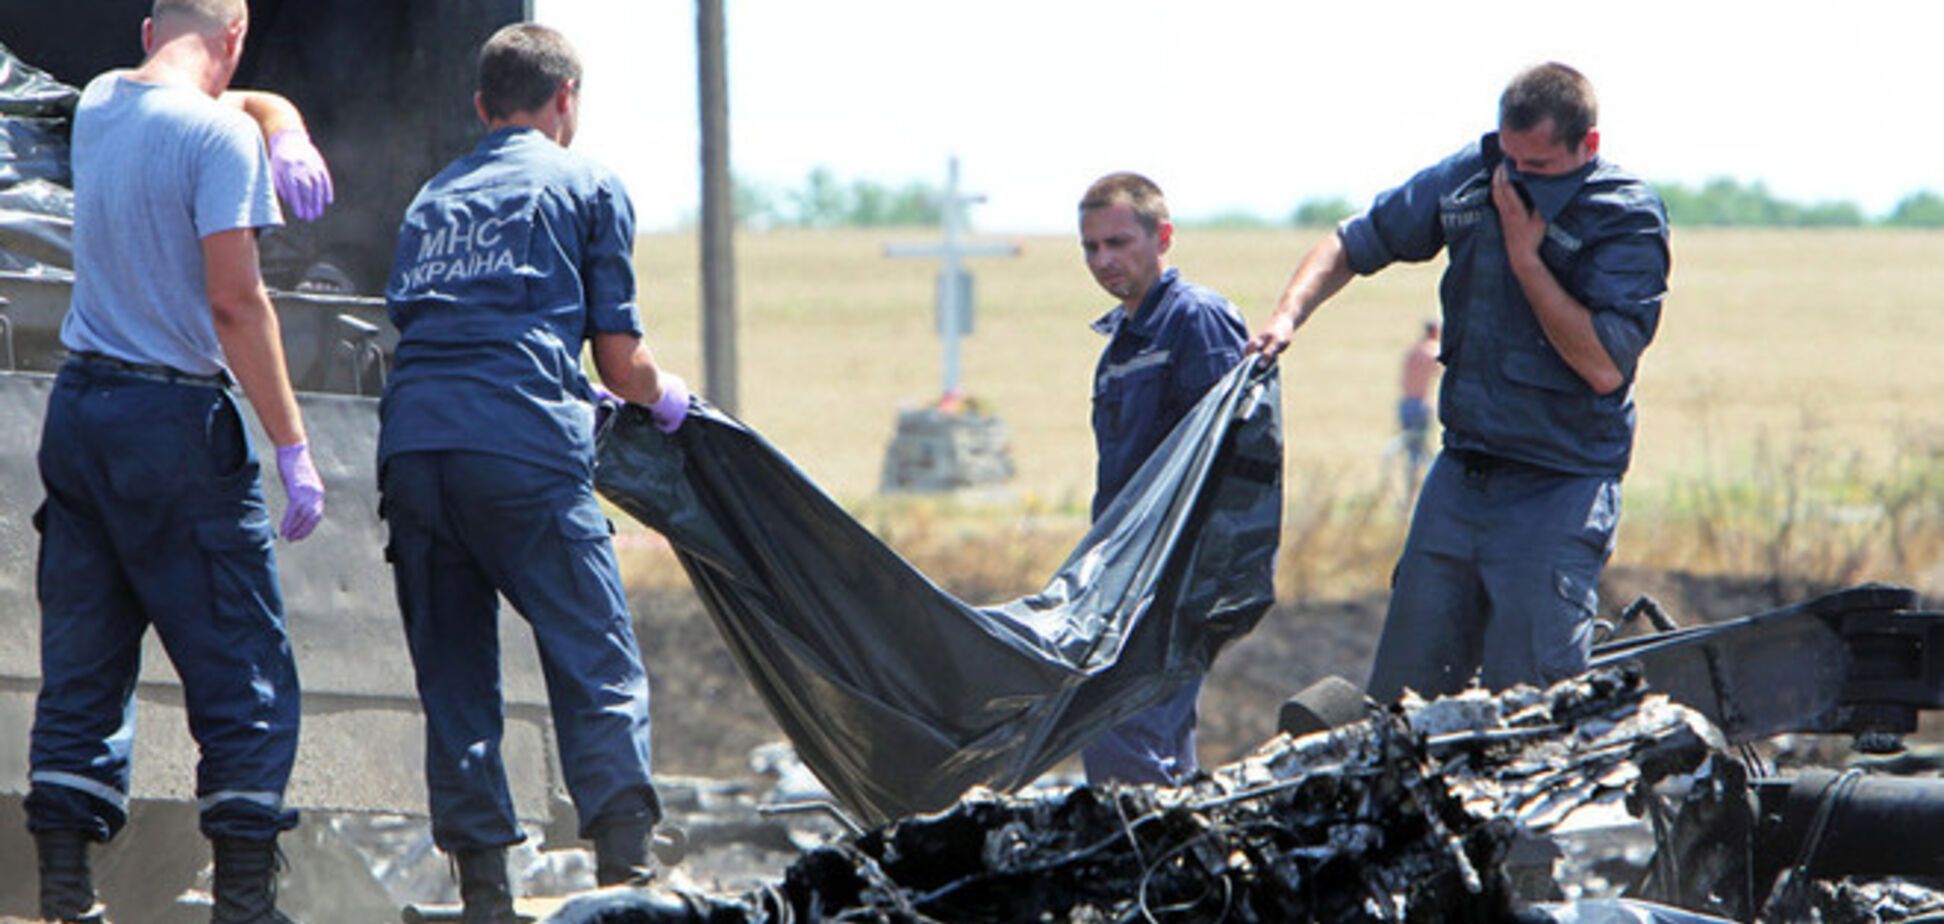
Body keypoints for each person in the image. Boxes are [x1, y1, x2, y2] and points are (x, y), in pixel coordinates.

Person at [376, 22, 691, 921]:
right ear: (567, 101)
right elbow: (619, 363)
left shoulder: (432, 195)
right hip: (519, 448)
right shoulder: (585, 182)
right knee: (597, 656)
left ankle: (483, 894)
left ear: (481, 108)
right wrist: (667, 399)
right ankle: (627, 875)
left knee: (455, 675)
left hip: (413, 454)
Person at [25, 1, 331, 921]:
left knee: (84, 658)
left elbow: (208, 93)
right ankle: (243, 897)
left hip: (79, 415)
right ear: (233, 41)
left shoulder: (103, 103)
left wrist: (280, 120)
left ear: (149, 32)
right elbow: (237, 305)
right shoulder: (218, 142)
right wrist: (293, 446)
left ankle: (65, 892)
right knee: (242, 662)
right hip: (175, 423)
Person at [1248, 62, 1670, 703]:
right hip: (1461, 478)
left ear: (1589, 146)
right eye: (1512, 158)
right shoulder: (1476, 174)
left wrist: (1527, 258)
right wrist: (1286, 317)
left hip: (1559, 487)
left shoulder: (1625, 216)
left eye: (1541, 166)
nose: (1519, 179)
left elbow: (1604, 365)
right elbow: (1353, 241)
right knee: (1401, 704)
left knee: (1529, 707)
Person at [1077, 172, 1248, 785]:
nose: (1104, 260)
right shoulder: (1122, 343)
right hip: (1125, 569)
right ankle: (1177, 871)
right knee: (1152, 743)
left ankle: (1134, 869)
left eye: (1119, 243)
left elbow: (1233, 451)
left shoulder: (1195, 322)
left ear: (1163, 237)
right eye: (1091, 247)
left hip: (1177, 567)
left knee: (1120, 732)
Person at [1397, 319, 1441, 498]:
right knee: (1422, 451)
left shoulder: (1412, 351)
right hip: (1421, 405)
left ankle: (1410, 493)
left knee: (1411, 451)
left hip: (1405, 404)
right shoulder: (1432, 350)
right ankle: (1426, 492)